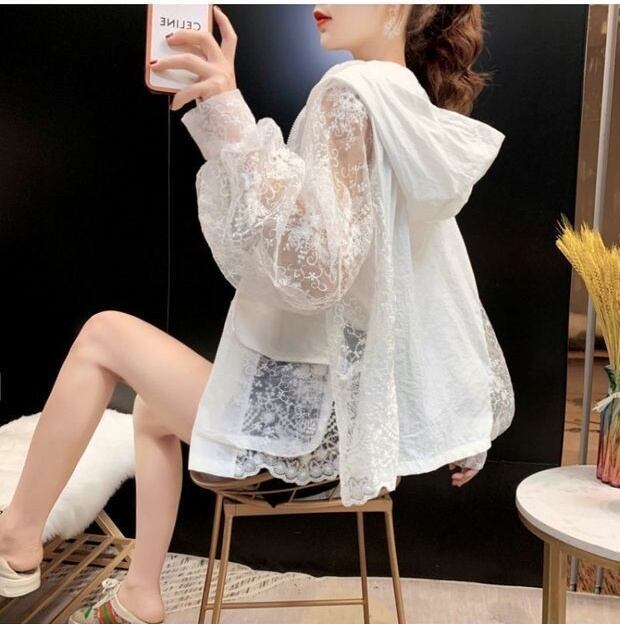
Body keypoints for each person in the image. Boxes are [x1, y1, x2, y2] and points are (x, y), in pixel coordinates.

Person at [0, 5, 515, 624]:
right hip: (353, 435)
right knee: (151, 412)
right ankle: (141, 596)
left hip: (299, 439)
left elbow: (319, 267)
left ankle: (17, 539)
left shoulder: (350, 93)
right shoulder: (405, 104)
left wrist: (227, 110)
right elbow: (439, 282)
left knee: (102, 336)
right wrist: (465, 422)